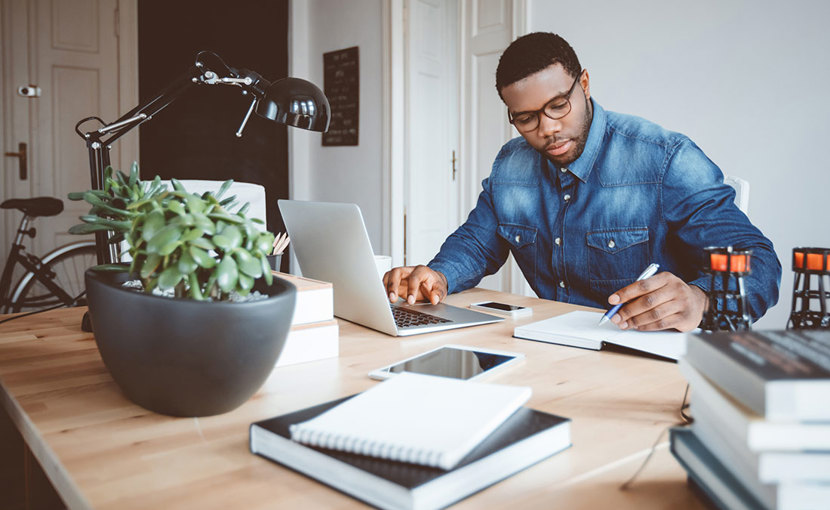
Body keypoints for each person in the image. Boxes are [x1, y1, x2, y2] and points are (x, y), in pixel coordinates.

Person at [383, 32, 781, 332]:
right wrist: (438, 275)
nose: (548, 129)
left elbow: (760, 262)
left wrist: (700, 299)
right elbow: (476, 243)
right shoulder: (510, 165)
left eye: (558, 105)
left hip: (644, 357)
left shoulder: (664, 158)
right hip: (550, 347)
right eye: (526, 118)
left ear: (585, 84)